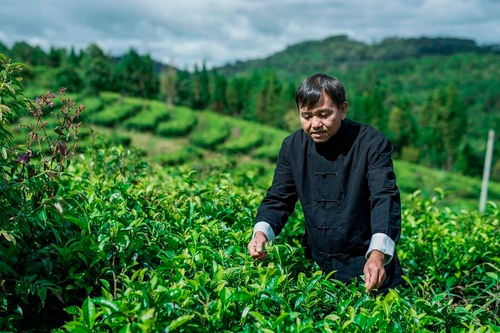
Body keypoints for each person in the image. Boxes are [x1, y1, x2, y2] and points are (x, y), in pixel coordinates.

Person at [247, 73, 403, 295]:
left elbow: (384, 198)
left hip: (369, 264)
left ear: (343, 109)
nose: (315, 124)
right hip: (318, 266)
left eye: (324, 114)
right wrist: (261, 234)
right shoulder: (293, 146)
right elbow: (279, 198)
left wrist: (378, 254)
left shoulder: (371, 143)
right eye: (307, 116)